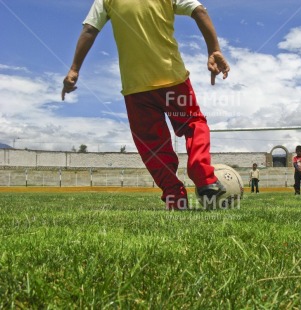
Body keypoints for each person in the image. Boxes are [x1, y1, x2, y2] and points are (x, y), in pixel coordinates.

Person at [61, 0, 230, 210]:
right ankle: (203, 175)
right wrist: (214, 49)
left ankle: (174, 196)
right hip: (173, 80)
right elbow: (199, 10)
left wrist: (74, 69)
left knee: (153, 146)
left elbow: (89, 29)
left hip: (136, 88)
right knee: (194, 124)